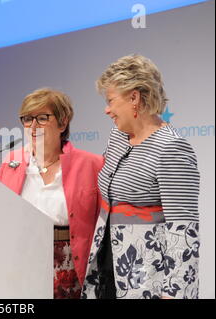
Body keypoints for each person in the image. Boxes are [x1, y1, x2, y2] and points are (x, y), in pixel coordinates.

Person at [81, 54, 200, 299]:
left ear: (134, 97)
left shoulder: (172, 148)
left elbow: (183, 230)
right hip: (105, 269)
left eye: (111, 100)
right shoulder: (117, 136)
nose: (107, 110)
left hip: (147, 280)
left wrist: (175, 294)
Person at [0, 88, 103, 299]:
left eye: (42, 118)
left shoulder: (92, 164)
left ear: (62, 123)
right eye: (27, 119)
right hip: (22, 261)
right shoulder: (11, 163)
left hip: (71, 266)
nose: (33, 126)